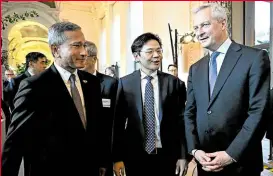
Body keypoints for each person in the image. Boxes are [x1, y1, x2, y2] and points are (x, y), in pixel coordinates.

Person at [2, 22, 106, 176]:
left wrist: (101, 161)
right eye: (76, 45)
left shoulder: (92, 82)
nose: (84, 52)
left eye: (84, 45)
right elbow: (16, 141)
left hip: (88, 168)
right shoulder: (34, 86)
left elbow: (97, 126)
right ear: (55, 50)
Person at [184, 3, 270, 176]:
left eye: (205, 24)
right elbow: (189, 112)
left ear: (223, 23)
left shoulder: (253, 58)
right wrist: (194, 150)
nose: (199, 32)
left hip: (241, 164)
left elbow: (259, 112)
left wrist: (231, 154)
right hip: (205, 163)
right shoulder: (196, 68)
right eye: (195, 27)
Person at [112, 32, 188, 176]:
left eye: (159, 51)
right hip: (135, 155)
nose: (156, 55)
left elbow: (182, 122)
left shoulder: (174, 83)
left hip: (168, 155)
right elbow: (118, 124)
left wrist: (183, 155)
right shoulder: (125, 84)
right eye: (150, 51)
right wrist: (117, 158)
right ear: (136, 56)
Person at [82, 41, 118, 176]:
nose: (81, 59)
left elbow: (115, 119)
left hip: (104, 147)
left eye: (85, 56)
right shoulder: (72, 83)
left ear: (94, 59)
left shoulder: (110, 83)